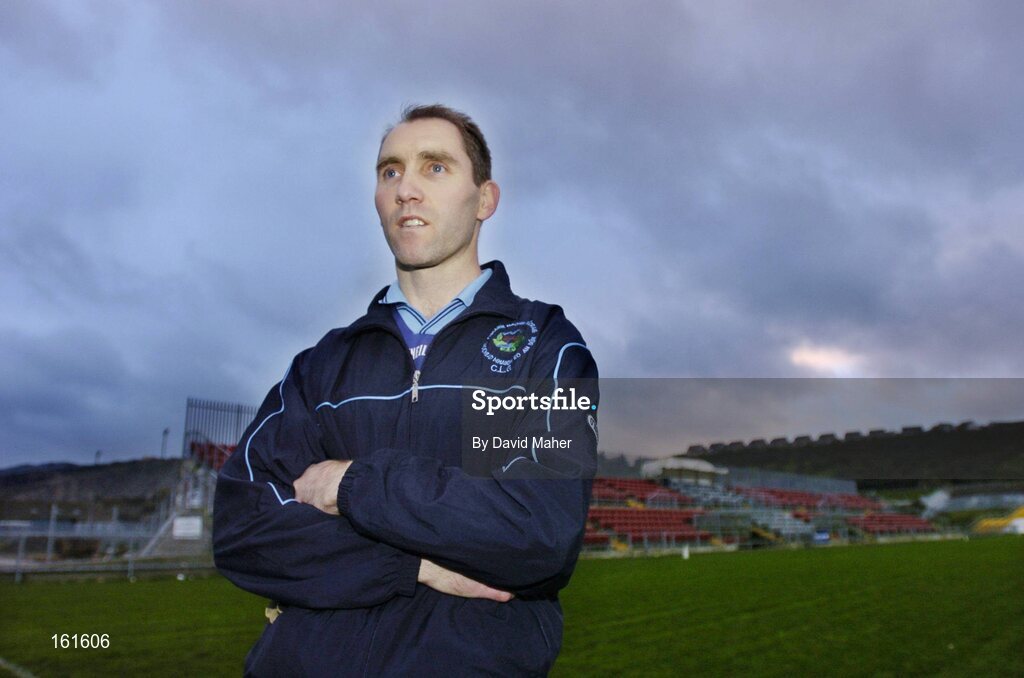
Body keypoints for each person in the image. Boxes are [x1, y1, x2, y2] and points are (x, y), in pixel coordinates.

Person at [213, 104, 599, 677]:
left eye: (435, 168)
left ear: (485, 200)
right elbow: (242, 528)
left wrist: (349, 483)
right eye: (390, 171)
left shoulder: (542, 346)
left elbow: (533, 532)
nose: (406, 189)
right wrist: (412, 566)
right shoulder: (323, 367)